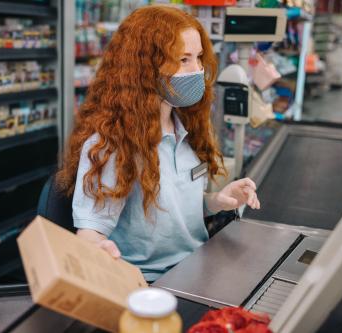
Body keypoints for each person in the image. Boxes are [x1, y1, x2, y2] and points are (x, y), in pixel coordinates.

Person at [57, 5, 260, 282]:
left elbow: (166, 212)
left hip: (198, 265)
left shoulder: (187, 126)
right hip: (151, 283)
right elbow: (91, 232)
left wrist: (215, 202)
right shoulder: (112, 144)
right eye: (183, 59)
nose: (198, 70)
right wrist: (95, 249)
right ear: (145, 67)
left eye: (199, 58)